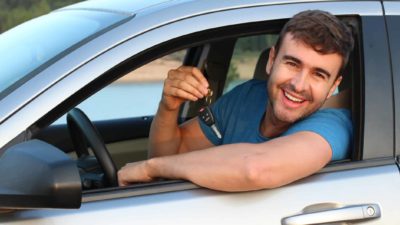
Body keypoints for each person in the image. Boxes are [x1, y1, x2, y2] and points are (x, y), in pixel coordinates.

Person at [117, 10, 354, 192]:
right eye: (292, 64)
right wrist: (168, 107)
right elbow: (171, 154)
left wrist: (150, 168)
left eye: (318, 74)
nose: (299, 85)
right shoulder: (247, 96)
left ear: (333, 85)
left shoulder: (333, 126)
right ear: (272, 60)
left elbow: (255, 169)